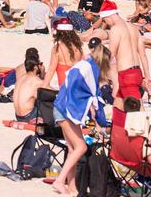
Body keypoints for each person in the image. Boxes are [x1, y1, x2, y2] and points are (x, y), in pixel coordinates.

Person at [52, 39, 111, 195]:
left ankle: (72, 187)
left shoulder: (83, 64)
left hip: (59, 107)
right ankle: (59, 181)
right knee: (81, 147)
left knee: (72, 149)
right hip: (66, 111)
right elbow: (96, 101)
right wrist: (102, 124)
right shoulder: (92, 71)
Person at [100, 0, 151, 100]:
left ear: (108, 16)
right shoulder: (133, 27)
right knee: (119, 109)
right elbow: (143, 55)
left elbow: (111, 55)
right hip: (138, 73)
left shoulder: (115, 29)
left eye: (105, 20)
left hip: (126, 74)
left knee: (131, 107)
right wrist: (147, 77)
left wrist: (101, 73)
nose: (106, 23)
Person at [13, 56, 46, 122]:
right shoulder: (36, 81)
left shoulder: (20, 78)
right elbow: (50, 92)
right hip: (29, 116)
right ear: (35, 67)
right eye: (40, 64)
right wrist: (43, 74)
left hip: (18, 116)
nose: (42, 66)